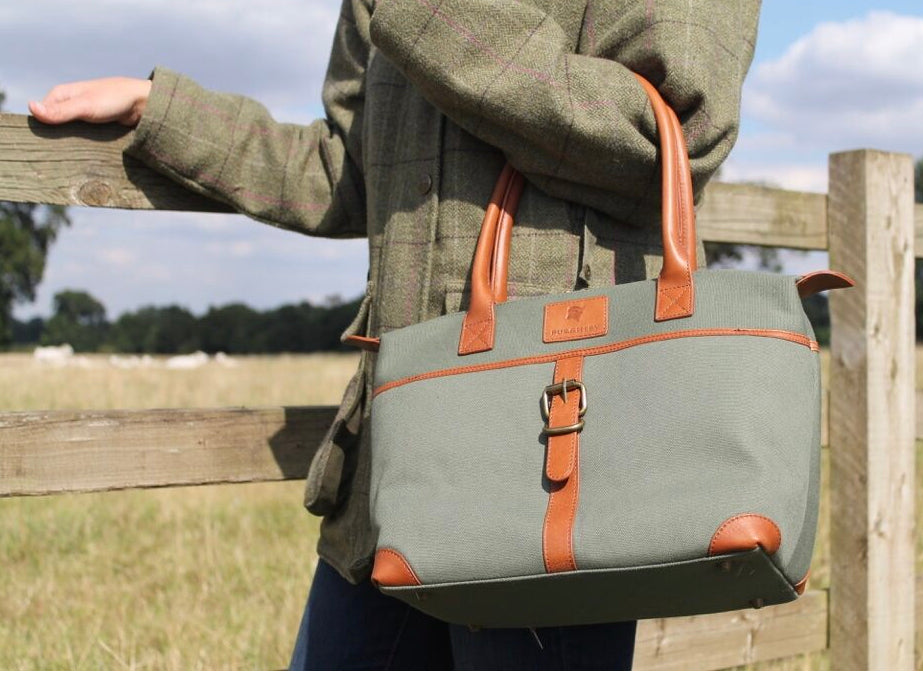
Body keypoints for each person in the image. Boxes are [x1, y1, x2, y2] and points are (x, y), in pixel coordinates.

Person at [31, 0, 761, 668]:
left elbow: (667, 139)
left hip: (553, 471)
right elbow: (344, 171)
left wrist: (419, 13)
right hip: (393, 468)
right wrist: (163, 112)